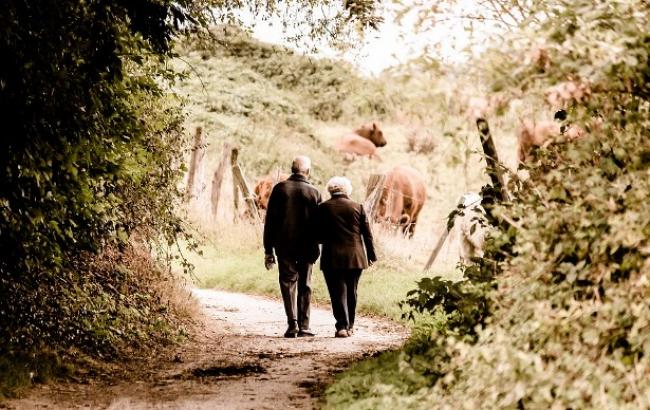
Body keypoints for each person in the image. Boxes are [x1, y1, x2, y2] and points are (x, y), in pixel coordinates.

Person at [263, 155, 322, 338]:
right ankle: (305, 326)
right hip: (307, 246)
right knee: (305, 284)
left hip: (284, 245)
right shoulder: (314, 192)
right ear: (308, 171)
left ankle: (292, 324)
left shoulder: (280, 189)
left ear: (291, 169)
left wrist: (268, 250)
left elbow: (270, 222)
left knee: (288, 283)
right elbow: (320, 224)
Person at [317, 176, 376, 338]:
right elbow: (367, 235)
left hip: (331, 257)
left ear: (330, 190)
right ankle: (350, 325)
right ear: (347, 190)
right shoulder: (358, 207)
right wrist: (371, 255)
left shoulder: (323, 208)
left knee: (337, 292)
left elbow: (318, 235)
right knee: (352, 291)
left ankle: (341, 326)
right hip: (356, 257)